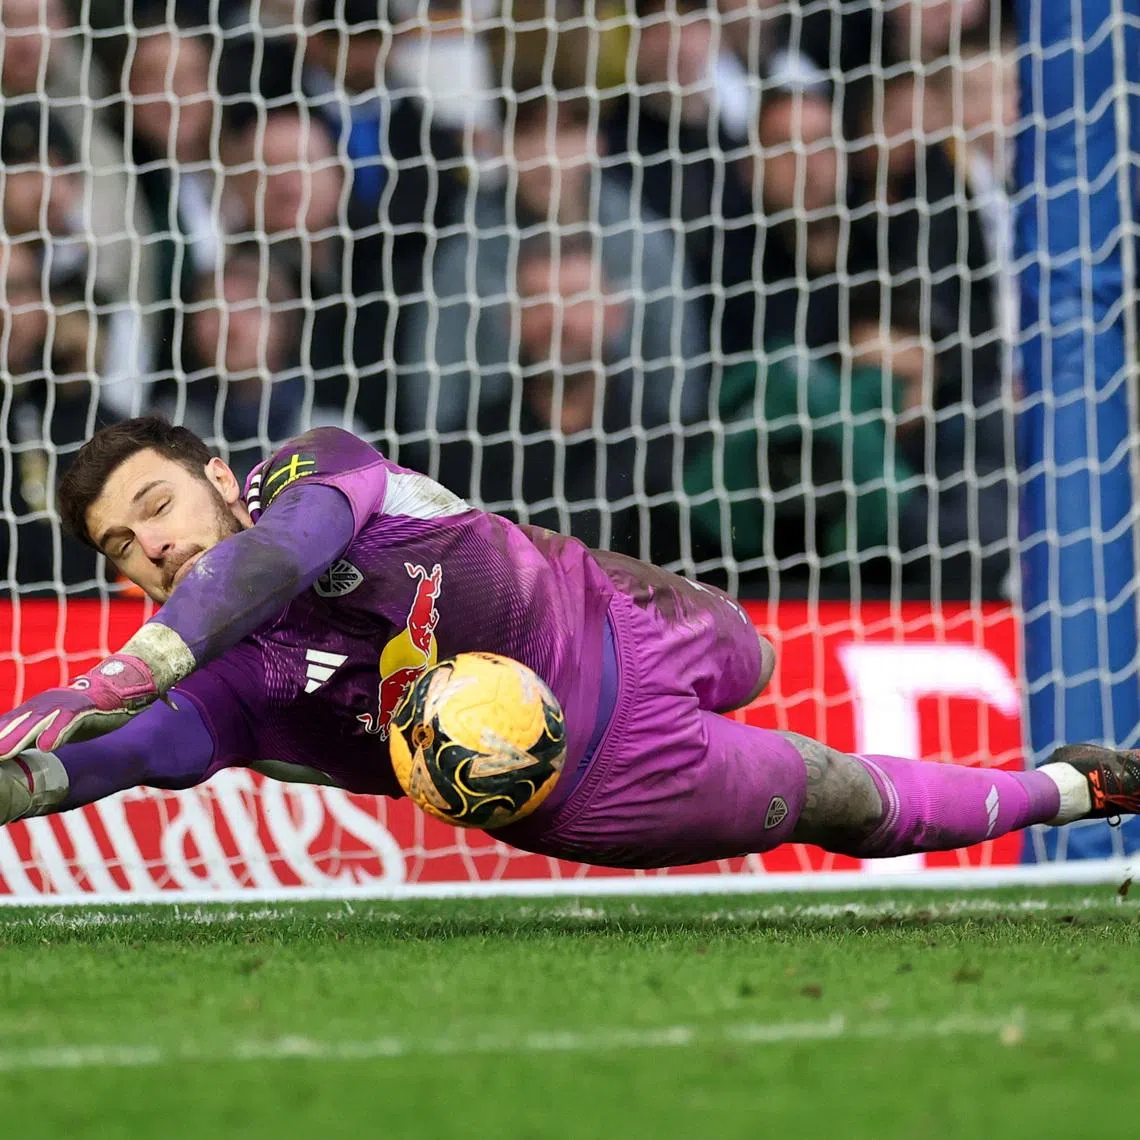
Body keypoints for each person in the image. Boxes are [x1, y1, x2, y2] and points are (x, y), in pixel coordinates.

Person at [0, 416, 1133, 864]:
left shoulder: (311, 469)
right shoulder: (242, 682)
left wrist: (136, 660)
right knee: (840, 798)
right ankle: (1072, 789)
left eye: (155, 508)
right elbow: (139, 753)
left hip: (617, 611)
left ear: (214, 477)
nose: (146, 550)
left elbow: (275, 559)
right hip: (598, 784)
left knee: (762, 659)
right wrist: (36, 775)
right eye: (116, 547)